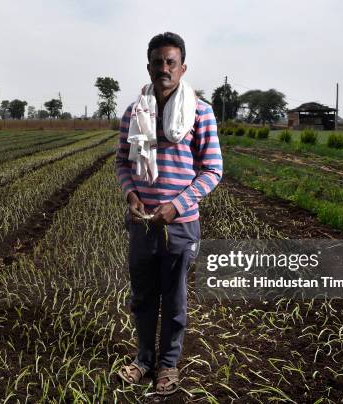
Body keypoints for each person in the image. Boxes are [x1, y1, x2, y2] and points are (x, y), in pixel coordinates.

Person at [115, 32, 222, 396]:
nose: (164, 68)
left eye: (170, 62)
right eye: (158, 62)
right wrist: (131, 195)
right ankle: (144, 360)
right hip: (142, 224)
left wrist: (177, 204)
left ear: (182, 67)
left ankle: (168, 365)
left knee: (174, 300)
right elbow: (121, 163)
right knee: (143, 297)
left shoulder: (200, 112)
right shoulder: (134, 112)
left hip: (180, 225)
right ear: (149, 67)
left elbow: (212, 170)